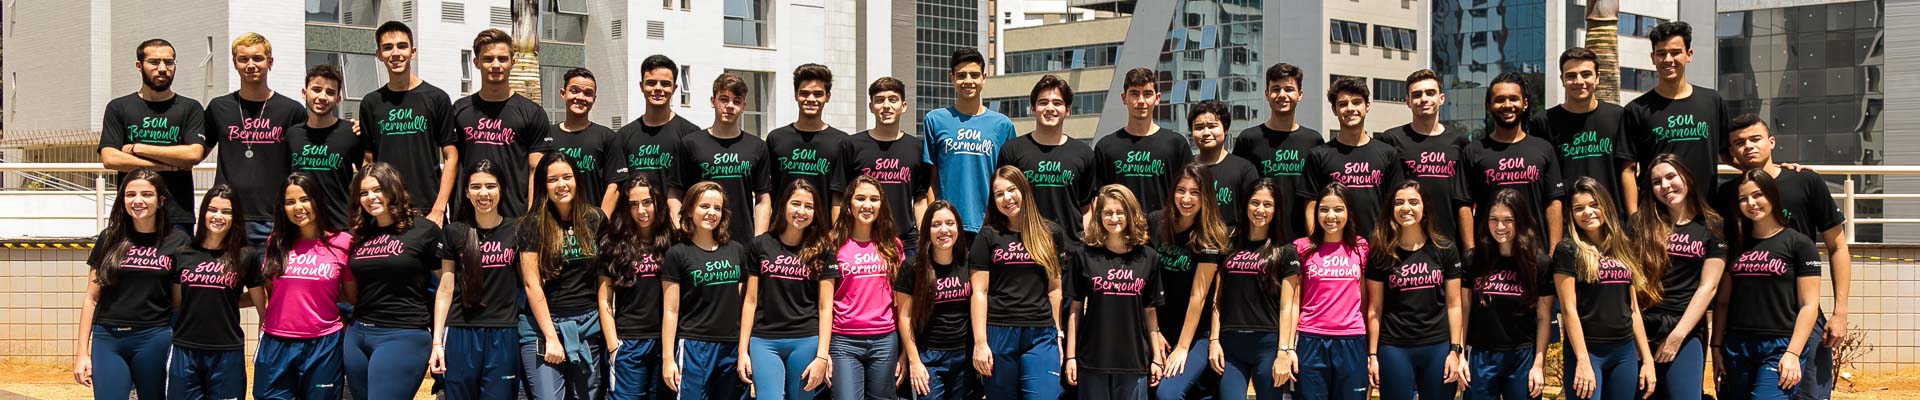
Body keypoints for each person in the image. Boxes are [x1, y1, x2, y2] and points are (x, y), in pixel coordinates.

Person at [1718, 114, 1852, 400]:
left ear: (1772, 141)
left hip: (1803, 313)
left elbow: (1838, 246)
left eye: (1755, 139)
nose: (1748, 146)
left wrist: (1840, 312)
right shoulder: (1727, 193)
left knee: (1809, 395)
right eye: (1739, 143)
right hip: (1748, 323)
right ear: (1731, 153)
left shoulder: (1805, 181)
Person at [75, 169, 192, 399]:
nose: (138, 201)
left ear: (161, 200)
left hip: (154, 338)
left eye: (146, 194)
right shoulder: (109, 238)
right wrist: (81, 353)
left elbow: (177, 303)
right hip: (108, 338)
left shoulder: (178, 241)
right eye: (130, 195)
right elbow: (91, 298)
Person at [1713, 169, 1823, 400]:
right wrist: (1716, 348)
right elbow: (1722, 302)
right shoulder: (1735, 243)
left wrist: (1793, 353)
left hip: (1780, 346)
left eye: (1757, 195)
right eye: (1743, 199)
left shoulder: (1800, 244)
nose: (1751, 203)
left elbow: (1809, 305)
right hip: (1737, 346)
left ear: (1772, 195)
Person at [343, 163, 443, 400]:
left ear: (393, 189)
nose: (371, 197)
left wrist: (439, 340)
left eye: (378, 189)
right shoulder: (361, 234)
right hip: (357, 335)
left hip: (403, 334)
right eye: (364, 193)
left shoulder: (424, 230)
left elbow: (446, 287)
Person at [254, 174, 357, 400]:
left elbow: (352, 296)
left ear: (317, 200)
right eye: (290, 202)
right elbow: (272, 290)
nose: (298, 207)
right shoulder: (275, 242)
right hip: (276, 342)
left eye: (305, 199)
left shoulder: (343, 242)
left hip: (323, 345)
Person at [970, 166, 1069, 400]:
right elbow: (979, 292)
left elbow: (1055, 289)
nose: (1007, 198)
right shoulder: (988, 235)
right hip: (999, 332)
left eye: (1012, 189)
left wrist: (1057, 335)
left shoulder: (1051, 233)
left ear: (1024, 190)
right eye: (999, 194)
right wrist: (980, 343)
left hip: (1041, 334)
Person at [1633, 154, 1728, 400]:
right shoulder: (1639, 223)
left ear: (1686, 177)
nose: (1665, 186)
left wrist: (1677, 336)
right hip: (1641, 327)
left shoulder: (1712, 225)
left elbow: (1708, 287)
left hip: (1684, 328)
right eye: (1656, 182)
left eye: (1670, 176)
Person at [1553, 178, 1657, 400]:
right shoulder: (1567, 249)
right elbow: (1569, 310)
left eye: (1594, 204)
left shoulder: (1623, 246)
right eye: (1579, 208)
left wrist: (1647, 359)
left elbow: (1633, 310)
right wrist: (1582, 360)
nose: (1587, 212)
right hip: (1587, 350)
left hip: (1624, 352)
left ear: (1606, 206)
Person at [431, 160, 525, 399]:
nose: (483, 193)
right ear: (466, 192)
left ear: (501, 189)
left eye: (490, 186)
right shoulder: (454, 232)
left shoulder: (517, 230)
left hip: (503, 331)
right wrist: (437, 343)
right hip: (460, 331)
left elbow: (529, 283)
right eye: (476, 187)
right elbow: (445, 289)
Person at [518, 152, 609, 399]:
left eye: (567, 177)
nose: (561, 185)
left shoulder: (596, 219)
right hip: (542, 326)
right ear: (543, 186)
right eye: (553, 179)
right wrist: (551, 337)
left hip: (587, 325)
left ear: (577, 179)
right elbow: (531, 284)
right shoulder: (531, 224)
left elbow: (604, 278)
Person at [1364, 181, 1466, 400]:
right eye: (1398, 202)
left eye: (1413, 202)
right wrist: (1372, 355)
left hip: (1438, 347)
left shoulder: (1446, 249)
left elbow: (1454, 304)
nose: (1405, 208)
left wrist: (1455, 351)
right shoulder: (1380, 253)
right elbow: (1375, 309)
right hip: (1394, 348)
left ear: (1425, 208)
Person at [1065, 185, 1166, 399]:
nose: (1114, 218)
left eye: (1120, 212)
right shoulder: (1084, 255)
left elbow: (1150, 312)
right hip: (1092, 360)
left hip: (1134, 361)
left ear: (1131, 214)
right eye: (1108, 213)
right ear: (1099, 216)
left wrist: (1156, 358)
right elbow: (1075, 310)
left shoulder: (1148, 257)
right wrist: (1070, 357)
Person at [205, 33, 306, 245]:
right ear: (235, 63)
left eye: (258, 58)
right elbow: (197, 151)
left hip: (274, 219)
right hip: (226, 215)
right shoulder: (219, 107)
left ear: (270, 62)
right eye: (243, 59)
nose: (251, 65)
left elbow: (307, 158)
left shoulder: (291, 110)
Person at [100, 38, 206, 233]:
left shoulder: (190, 108)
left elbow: (193, 154)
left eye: (169, 62)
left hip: (177, 215)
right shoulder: (119, 107)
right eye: (154, 62)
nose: (163, 68)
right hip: (132, 214)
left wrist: (138, 148)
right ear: (139, 66)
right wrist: (167, 166)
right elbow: (110, 158)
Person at [739, 181, 834, 399]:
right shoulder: (760, 245)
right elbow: (750, 301)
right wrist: (742, 351)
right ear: (783, 205)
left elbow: (825, 306)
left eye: (809, 206)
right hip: (764, 340)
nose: (801, 211)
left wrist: (822, 355)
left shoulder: (823, 249)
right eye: (796, 203)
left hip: (806, 339)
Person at [1278, 183, 1372, 400]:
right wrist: (1289, 348)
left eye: (1338, 209)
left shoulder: (1360, 247)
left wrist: (1368, 350)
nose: (1331, 216)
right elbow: (1293, 303)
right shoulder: (1302, 247)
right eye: (1324, 209)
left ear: (1349, 212)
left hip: (1352, 340)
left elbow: (1364, 299)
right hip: (1310, 340)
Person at [167, 185, 262, 399]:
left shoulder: (246, 256)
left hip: (227, 352)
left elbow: (260, 303)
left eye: (226, 212)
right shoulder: (183, 253)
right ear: (203, 213)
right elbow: (177, 303)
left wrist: (227, 299)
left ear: (235, 218)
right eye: (212, 210)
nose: (218, 216)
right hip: (185, 349)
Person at [1462, 189, 1556, 400]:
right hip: (1481, 354)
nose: (1500, 227)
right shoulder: (1473, 259)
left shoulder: (1539, 263)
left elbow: (1543, 317)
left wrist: (1538, 365)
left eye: (1508, 220)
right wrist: (1459, 354)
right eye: (1494, 219)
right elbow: (1464, 310)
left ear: (1520, 221)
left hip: (1522, 356)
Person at [361, 21, 457, 224]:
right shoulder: (371, 103)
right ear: (379, 55)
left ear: (412, 52)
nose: (395, 53)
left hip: (428, 210)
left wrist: (439, 208)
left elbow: (451, 156)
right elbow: (368, 161)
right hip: (385, 210)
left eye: (402, 46)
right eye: (388, 48)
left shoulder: (436, 98)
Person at [661, 181, 750, 400]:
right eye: (704, 206)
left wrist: (743, 349)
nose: (712, 213)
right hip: (694, 344)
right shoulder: (677, 254)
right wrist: (668, 358)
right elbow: (671, 310)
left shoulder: (737, 251)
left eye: (717, 208)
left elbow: (742, 304)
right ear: (690, 210)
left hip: (731, 346)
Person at [1149, 164, 1230, 400]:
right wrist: (1154, 332)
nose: (1186, 199)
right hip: (1156, 328)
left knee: (1168, 394)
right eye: (1181, 190)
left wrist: (1182, 348)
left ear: (1206, 197)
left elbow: (1199, 296)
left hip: (1195, 334)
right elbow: (1146, 281)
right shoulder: (1156, 222)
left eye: (1195, 192)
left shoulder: (1210, 235)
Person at [1624, 20, 1729, 200]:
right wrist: (1634, 214)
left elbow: (1728, 153)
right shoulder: (1636, 110)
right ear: (1653, 57)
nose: (1668, 60)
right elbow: (1628, 169)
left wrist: (1773, 170)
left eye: (1675, 53)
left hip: (1705, 209)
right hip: (1657, 210)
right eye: (1661, 53)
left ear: (1689, 55)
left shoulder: (1712, 102)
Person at [827, 176, 910, 399]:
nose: (867, 205)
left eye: (874, 199)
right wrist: (823, 352)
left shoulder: (893, 245)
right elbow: (822, 302)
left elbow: (903, 304)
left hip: (884, 339)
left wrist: (905, 351)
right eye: (860, 198)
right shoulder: (833, 244)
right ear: (848, 204)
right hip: (843, 340)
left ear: (881, 204)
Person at [1529, 47, 1637, 218]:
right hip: (1567, 221)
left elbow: (1628, 170)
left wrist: (1633, 218)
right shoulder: (1543, 122)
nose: (1579, 81)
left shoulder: (1617, 116)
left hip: (1613, 219)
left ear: (1597, 77)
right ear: (1562, 80)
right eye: (1571, 76)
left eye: (1586, 74)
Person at [455, 29, 550, 218]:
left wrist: (532, 218)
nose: (496, 65)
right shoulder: (459, 111)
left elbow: (536, 171)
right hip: (467, 218)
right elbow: (451, 162)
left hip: (514, 218)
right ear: (476, 62)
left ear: (512, 63)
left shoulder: (532, 113)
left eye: (502, 59)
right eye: (488, 59)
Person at [923, 47, 1017, 238]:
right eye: (961, 75)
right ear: (952, 78)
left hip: (991, 225)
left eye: (974, 75)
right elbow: (931, 180)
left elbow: (1010, 181)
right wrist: (934, 219)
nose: (968, 81)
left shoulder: (1002, 125)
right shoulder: (935, 120)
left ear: (984, 77)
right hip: (948, 226)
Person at [1465, 72, 1566, 249]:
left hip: (1535, 253)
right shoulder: (1473, 151)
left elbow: (1553, 202)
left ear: (1525, 104)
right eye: (1499, 100)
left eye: (1513, 99)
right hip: (1488, 255)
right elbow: (1464, 205)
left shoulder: (1544, 149)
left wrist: (1554, 251)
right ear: (1488, 106)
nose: (1507, 105)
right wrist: (1470, 251)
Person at [1376, 69, 1473, 247]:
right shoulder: (1391, 139)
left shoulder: (1459, 141)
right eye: (1417, 94)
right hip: (1404, 242)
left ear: (1441, 98)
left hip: (1449, 240)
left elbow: (1464, 199)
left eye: (1430, 93)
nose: (1424, 99)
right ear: (1407, 102)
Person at [1211, 178, 1288, 400]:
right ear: (1245, 204)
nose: (1260, 210)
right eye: (1255, 203)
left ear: (1276, 210)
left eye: (1267, 204)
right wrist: (1214, 341)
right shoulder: (1228, 245)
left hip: (1268, 344)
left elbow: (1288, 307)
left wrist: (1284, 351)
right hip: (1230, 345)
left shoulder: (1284, 251)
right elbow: (1218, 298)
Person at [597, 175, 671, 399]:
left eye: (647, 202)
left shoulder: (673, 243)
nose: (641, 211)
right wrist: (613, 347)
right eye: (633, 204)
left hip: (665, 342)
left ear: (657, 203)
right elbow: (604, 298)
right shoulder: (613, 245)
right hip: (628, 342)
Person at [675, 73, 774, 242]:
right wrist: (681, 228)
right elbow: (675, 193)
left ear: (743, 106)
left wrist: (759, 241)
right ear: (712, 101)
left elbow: (763, 200)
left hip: (743, 241)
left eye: (736, 101)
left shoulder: (757, 146)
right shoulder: (690, 144)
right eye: (724, 99)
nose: (729, 106)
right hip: (699, 240)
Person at [841, 77, 933, 255]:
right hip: (862, 241)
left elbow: (920, 200)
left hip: (906, 243)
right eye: (879, 100)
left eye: (892, 99)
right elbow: (840, 197)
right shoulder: (852, 145)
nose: (886, 106)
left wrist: (924, 239)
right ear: (871, 107)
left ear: (903, 106)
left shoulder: (916, 147)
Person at [1233, 63, 1324, 241]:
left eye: (1289, 89)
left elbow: (1319, 195)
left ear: (1300, 94)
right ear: (1267, 94)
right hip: (1258, 238)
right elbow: (1238, 191)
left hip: (1302, 239)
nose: (1282, 95)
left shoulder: (1313, 141)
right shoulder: (1249, 139)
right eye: (1276, 89)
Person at [997, 75, 1097, 237]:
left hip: (1070, 247)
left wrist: (1085, 242)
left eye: (1057, 103)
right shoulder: (1012, 150)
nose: (1050, 108)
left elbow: (1086, 208)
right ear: (1032, 108)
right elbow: (1002, 201)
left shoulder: (1084, 153)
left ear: (1068, 110)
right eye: (1043, 102)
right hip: (1024, 244)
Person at [895, 201, 977, 399]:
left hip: (964, 357)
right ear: (927, 230)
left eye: (950, 223)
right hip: (929, 357)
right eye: (936, 224)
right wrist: (914, 361)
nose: (944, 230)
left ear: (958, 227)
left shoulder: (969, 262)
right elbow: (905, 317)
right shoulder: (912, 266)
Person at [1301, 78, 1400, 240]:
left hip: (1378, 246)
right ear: (1334, 109)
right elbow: (1311, 205)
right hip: (1334, 248)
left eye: (1356, 102)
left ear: (1367, 106)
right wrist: (1316, 244)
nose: (1350, 108)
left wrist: (1390, 243)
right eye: (1343, 104)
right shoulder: (1319, 155)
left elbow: (1395, 203)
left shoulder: (1388, 154)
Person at [1094, 67, 1194, 216]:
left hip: (1165, 228)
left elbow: (1189, 192)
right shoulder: (1106, 147)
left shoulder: (1176, 144)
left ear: (1157, 98)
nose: (1141, 101)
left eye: (1147, 94)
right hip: (1119, 226)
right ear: (1123, 98)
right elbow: (1098, 198)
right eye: (1134, 94)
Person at [613, 55, 701, 222]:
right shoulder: (624, 135)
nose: (658, 88)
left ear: (675, 88)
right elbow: (617, 188)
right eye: (651, 83)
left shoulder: (691, 135)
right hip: (634, 226)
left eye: (665, 84)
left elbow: (696, 188)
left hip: (676, 226)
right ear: (641, 86)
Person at [538, 68, 624, 214]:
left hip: (592, 221)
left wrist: (601, 221)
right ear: (563, 93)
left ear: (594, 99)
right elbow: (538, 181)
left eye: (588, 93)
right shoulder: (547, 136)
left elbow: (614, 186)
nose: (580, 97)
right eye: (574, 91)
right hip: (552, 221)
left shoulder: (607, 137)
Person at [289, 64, 363, 229]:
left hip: (340, 227)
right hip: (301, 227)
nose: (322, 97)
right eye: (316, 90)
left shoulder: (351, 133)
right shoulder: (292, 135)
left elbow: (367, 174)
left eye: (330, 92)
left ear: (338, 99)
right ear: (304, 93)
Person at [769, 64, 850, 214]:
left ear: (828, 96)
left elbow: (839, 195)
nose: (811, 99)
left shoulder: (842, 142)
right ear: (796, 95)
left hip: (824, 227)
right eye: (804, 93)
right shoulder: (776, 138)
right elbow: (767, 192)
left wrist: (836, 228)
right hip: (781, 226)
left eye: (818, 94)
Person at [1188, 100, 1261, 229]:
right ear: (1191, 132)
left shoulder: (1244, 169)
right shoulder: (1185, 169)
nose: (1206, 132)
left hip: (1232, 240)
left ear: (1225, 129)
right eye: (1199, 127)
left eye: (1212, 126)